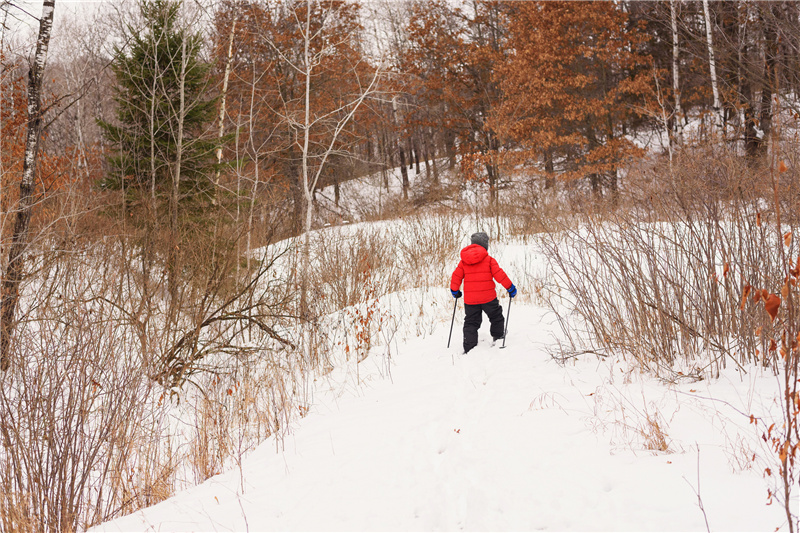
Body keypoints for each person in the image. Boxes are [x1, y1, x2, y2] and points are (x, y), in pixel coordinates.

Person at [450, 232, 516, 353]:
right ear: (485, 245)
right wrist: (510, 287)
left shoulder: (464, 261)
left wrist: (454, 291)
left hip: (470, 300)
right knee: (496, 316)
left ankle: (469, 346)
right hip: (488, 298)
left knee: (471, 321)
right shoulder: (489, 260)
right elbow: (500, 275)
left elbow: (456, 277)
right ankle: (498, 336)